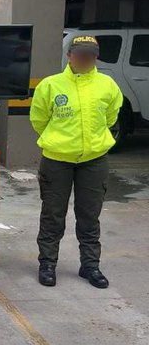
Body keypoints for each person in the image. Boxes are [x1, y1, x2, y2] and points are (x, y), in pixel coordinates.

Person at [29, 35, 123, 289]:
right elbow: (39, 120)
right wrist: (60, 140)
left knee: (89, 215)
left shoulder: (107, 85)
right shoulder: (51, 85)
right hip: (57, 160)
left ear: (96, 57)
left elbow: (111, 117)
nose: (84, 59)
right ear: (69, 55)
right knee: (52, 214)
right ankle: (47, 263)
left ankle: (90, 265)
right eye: (80, 54)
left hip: (94, 160)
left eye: (90, 55)